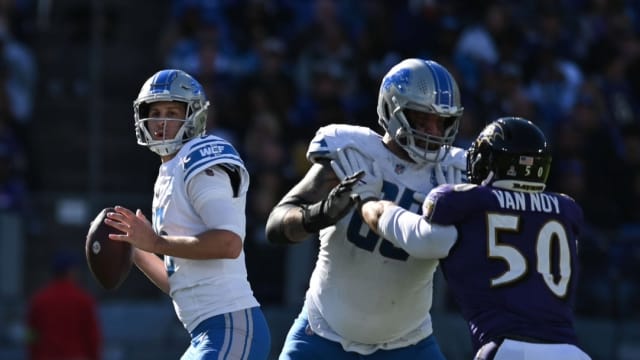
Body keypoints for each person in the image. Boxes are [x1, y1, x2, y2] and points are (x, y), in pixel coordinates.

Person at [265, 58, 465, 359]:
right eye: (422, 119)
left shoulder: (454, 173)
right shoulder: (352, 153)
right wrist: (321, 213)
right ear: (392, 109)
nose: (433, 132)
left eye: (442, 122)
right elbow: (276, 226)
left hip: (409, 342)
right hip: (323, 334)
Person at [357, 117, 592, 360]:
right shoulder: (566, 210)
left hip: (508, 348)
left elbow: (420, 233)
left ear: (487, 162)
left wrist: (371, 204)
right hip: (572, 352)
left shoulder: (469, 206)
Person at [103, 69, 271, 359]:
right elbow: (178, 284)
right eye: (155, 112)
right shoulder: (167, 172)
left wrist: (156, 243)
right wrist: (137, 251)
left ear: (194, 116)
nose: (161, 121)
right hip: (203, 332)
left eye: (172, 112)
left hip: (231, 325)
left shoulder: (200, 157)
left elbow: (229, 243)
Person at [27, 251, 102, 360]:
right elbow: (92, 335)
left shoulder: (39, 299)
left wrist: (33, 355)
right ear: (71, 271)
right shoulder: (83, 299)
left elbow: (31, 334)